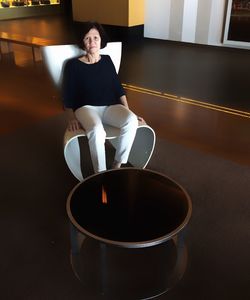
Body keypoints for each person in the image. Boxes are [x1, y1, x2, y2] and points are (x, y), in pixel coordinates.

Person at [62, 21, 143, 173]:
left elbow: (118, 88)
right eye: (87, 38)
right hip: (86, 108)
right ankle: (101, 174)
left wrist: (129, 111)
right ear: (83, 42)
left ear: (101, 40)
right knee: (97, 131)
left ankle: (117, 164)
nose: (92, 42)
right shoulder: (73, 65)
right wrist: (71, 117)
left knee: (131, 121)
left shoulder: (107, 60)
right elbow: (68, 94)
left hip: (110, 107)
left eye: (95, 38)